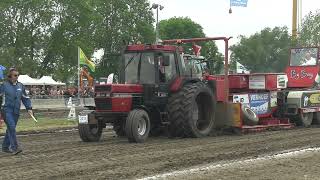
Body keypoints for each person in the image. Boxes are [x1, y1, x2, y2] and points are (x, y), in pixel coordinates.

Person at [0, 67, 33, 155]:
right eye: (15, 75)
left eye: (18, 75)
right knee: (11, 127)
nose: (17, 77)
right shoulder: (4, 85)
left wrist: (29, 108)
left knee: (11, 129)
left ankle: (5, 147)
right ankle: (15, 147)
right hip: (6, 110)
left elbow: (25, 98)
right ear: (10, 76)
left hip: (16, 111)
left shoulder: (20, 86)